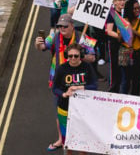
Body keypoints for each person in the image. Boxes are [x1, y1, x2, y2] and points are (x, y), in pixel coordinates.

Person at [34, 13, 95, 152]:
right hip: (59, 80)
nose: (62, 28)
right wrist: (38, 44)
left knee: (81, 113)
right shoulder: (54, 36)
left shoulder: (83, 38)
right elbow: (43, 47)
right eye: (60, 26)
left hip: (79, 81)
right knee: (60, 111)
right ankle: (62, 139)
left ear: (72, 26)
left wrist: (78, 55)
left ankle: (81, 141)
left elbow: (92, 57)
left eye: (65, 26)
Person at [52, 43, 97, 155]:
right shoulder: (61, 69)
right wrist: (64, 94)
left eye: (76, 56)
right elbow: (55, 88)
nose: (72, 58)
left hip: (84, 109)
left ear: (80, 55)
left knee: (83, 138)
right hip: (64, 108)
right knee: (66, 139)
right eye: (70, 56)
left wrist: (79, 87)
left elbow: (94, 85)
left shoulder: (87, 67)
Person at [119, 0, 140, 95]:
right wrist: (126, 29)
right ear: (129, 10)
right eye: (134, 8)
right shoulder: (123, 22)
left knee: (136, 78)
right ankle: (123, 100)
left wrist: (134, 31)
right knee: (125, 79)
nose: (137, 10)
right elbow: (119, 39)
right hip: (125, 51)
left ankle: (135, 99)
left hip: (138, 52)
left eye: (138, 8)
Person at [106, 0, 126, 93]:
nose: (122, 2)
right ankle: (112, 89)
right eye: (119, 0)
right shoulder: (112, 14)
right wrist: (119, 36)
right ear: (114, 2)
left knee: (122, 66)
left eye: (123, 0)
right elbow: (108, 30)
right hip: (114, 44)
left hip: (123, 45)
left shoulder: (123, 13)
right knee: (114, 67)